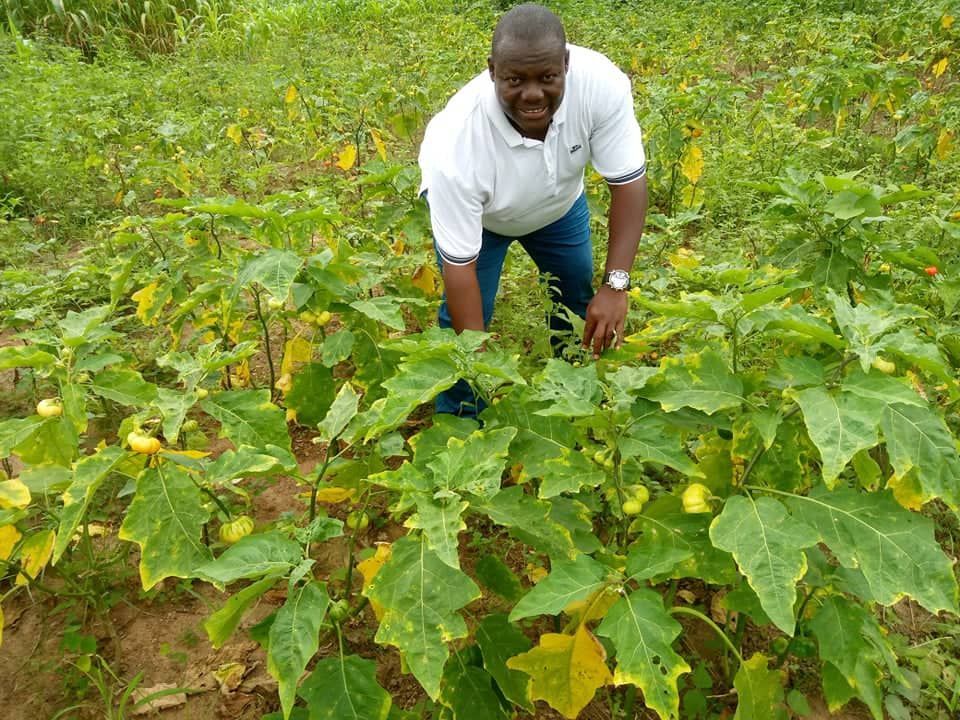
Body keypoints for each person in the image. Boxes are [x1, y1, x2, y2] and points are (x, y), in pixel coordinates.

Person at [418, 2, 648, 415]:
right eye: (514, 80)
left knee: (578, 301)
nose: (532, 94)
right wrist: (481, 365)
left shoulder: (601, 86)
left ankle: (577, 397)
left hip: (559, 208)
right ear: (492, 71)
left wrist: (616, 286)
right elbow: (459, 269)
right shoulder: (455, 146)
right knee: (464, 329)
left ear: (566, 65)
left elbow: (628, 183)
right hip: (484, 222)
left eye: (547, 77)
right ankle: (461, 422)